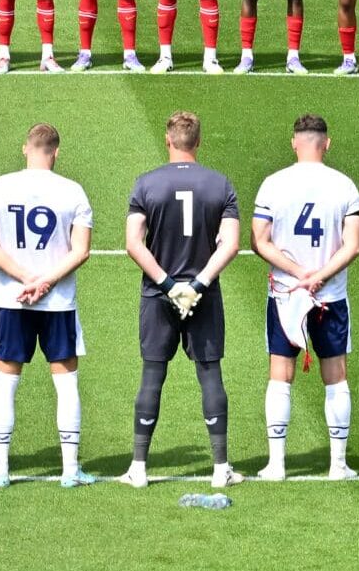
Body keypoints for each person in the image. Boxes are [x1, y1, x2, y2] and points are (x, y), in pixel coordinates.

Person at [123, 111, 244, 490]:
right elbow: (231, 243)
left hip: (158, 297)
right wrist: (198, 285)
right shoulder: (219, 184)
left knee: (152, 376)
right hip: (203, 298)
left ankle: (139, 469)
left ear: (168, 140)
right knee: (210, 374)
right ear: (198, 141)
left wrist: (168, 284)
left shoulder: (147, 184)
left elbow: (133, 244)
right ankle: (221, 468)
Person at [0, 123, 96, 487]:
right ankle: (71, 470)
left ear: (24, 148)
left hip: (13, 299)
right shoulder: (73, 191)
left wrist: (25, 279)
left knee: (5, 380)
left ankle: (0, 470)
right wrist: (45, 281)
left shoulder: (0, 186)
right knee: (66, 382)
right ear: (56, 152)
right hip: (58, 301)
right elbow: (81, 250)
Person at [251, 114, 359, 480]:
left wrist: (299, 275)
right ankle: (338, 465)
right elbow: (353, 245)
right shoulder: (344, 185)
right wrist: (319, 276)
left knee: (280, 375)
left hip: (286, 294)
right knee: (336, 376)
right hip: (330, 295)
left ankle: (277, 464)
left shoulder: (273, 183)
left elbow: (259, 241)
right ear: (327, 143)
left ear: (293, 142)